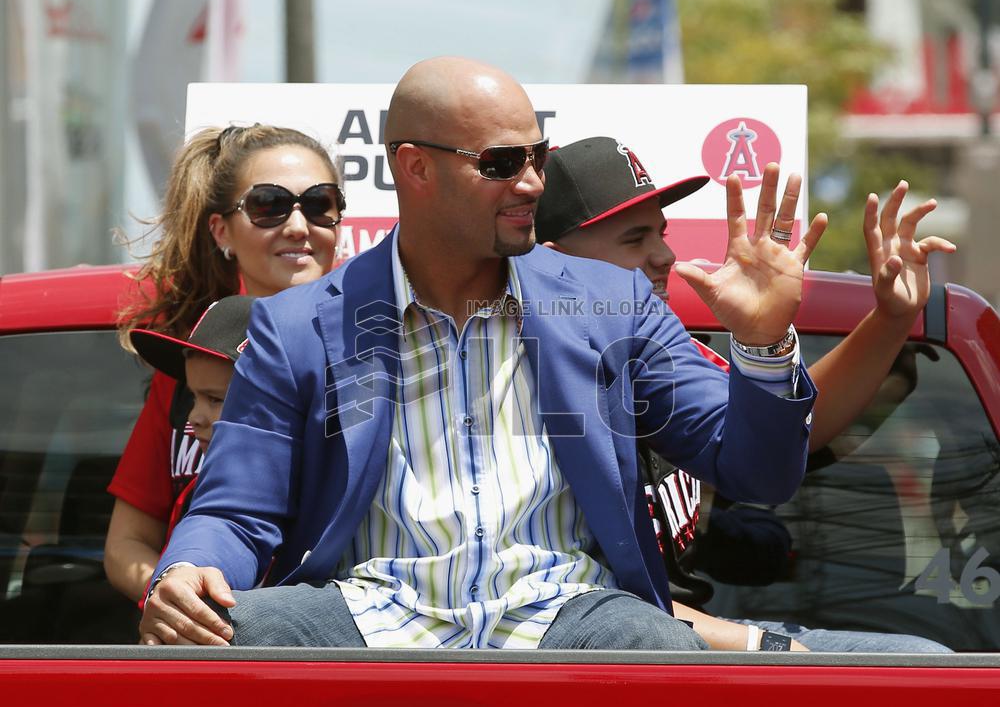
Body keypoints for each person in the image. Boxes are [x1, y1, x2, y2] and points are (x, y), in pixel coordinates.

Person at [139, 56, 822, 650]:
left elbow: (758, 473)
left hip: (571, 615)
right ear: (416, 169)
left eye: (538, 157)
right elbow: (234, 511)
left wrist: (762, 345)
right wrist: (186, 572)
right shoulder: (295, 327)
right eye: (501, 163)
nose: (531, 183)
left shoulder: (614, 302)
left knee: (659, 644)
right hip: (362, 616)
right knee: (225, 635)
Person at [536, 135, 953, 652]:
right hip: (619, 650)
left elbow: (788, 433)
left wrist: (893, 318)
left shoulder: (666, 359)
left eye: (661, 234)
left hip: (699, 641)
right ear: (553, 266)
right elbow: (578, 599)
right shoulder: (524, 392)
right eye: (634, 239)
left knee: (923, 660)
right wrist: (758, 646)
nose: (664, 254)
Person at [104, 125, 345, 604]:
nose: (299, 225)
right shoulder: (185, 370)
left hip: (326, 647)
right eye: (268, 205)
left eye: (320, 203)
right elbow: (125, 545)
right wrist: (184, 601)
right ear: (222, 231)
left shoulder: (379, 359)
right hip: (204, 655)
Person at [123, 295, 256, 602]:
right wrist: (173, 600)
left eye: (216, 399)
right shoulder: (194, 492)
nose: (194, 417)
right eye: (193, 397)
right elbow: (123, 544)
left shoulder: (303, 493)